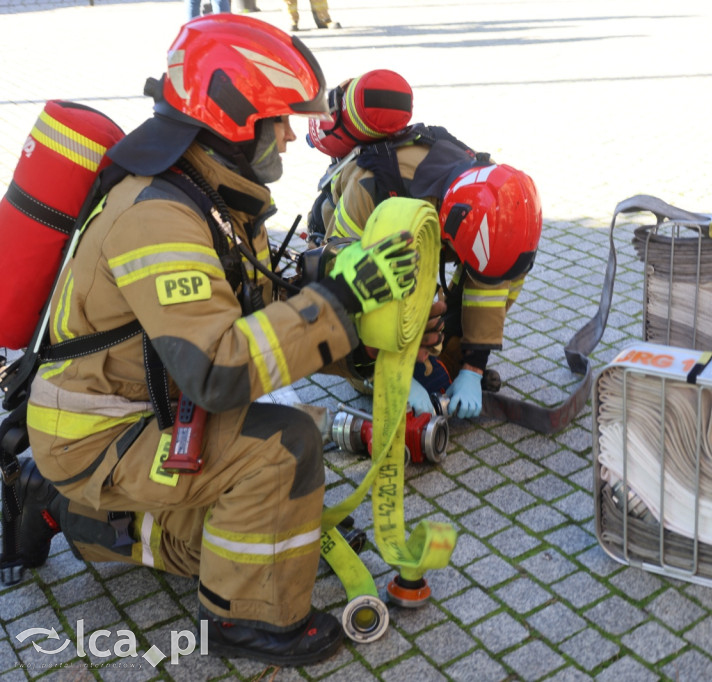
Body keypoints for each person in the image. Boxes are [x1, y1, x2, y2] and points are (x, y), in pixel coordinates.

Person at [15, 15, 421, 667]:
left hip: (147, 405)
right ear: (232, 118)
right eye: (279, 117)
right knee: (283, 450)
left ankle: (73, 518)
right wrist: (335, 307)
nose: (290, 133)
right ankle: (248, 621)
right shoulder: (158, 214)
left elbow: (250, 313)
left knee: (274, 527)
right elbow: (219, 370)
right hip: (95, 433)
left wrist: (353, 324)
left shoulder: (214, 196)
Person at [306, 71, 543, 420]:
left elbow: (489, 284)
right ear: (449, 222)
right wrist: (386, 372)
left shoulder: (487, 198)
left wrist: (472, 370)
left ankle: (453, 360)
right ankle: (373, 376)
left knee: (495, 275)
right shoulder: (371, 188)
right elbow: (335, 282)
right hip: (357, 248)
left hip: (421, 230)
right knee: (385, 301)